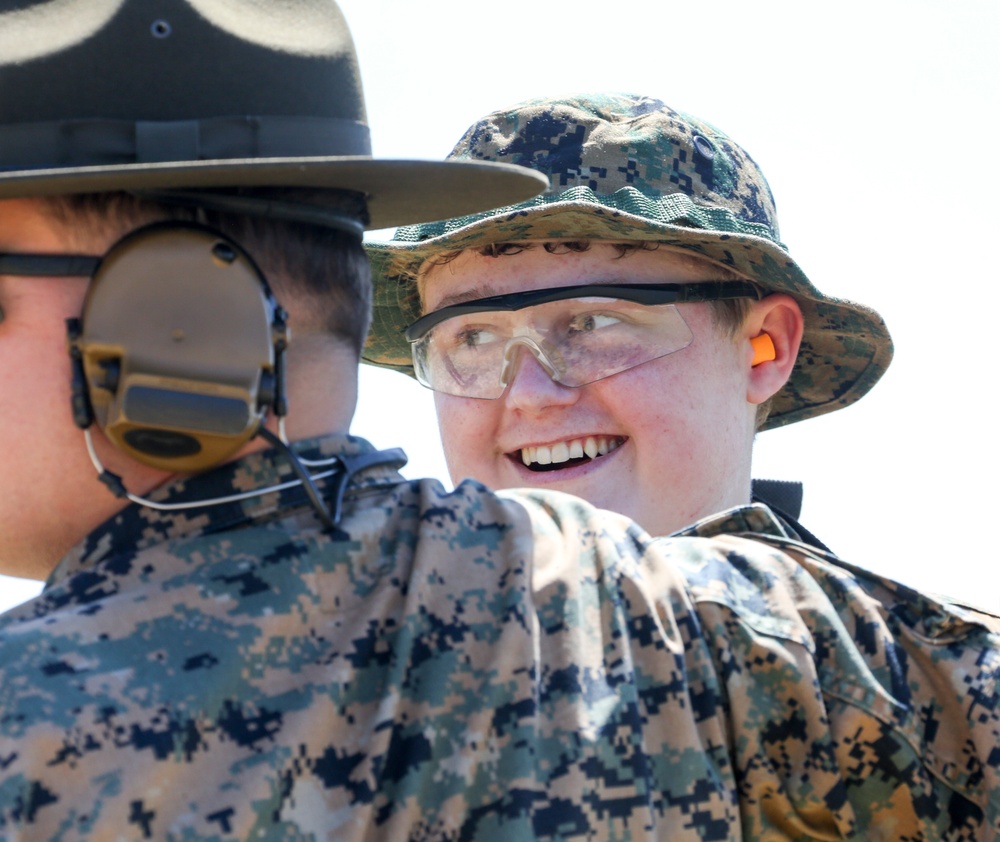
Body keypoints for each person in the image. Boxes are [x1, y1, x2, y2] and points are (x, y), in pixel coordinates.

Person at [365, 94, 1000, 836]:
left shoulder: (944, 706)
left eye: (595, 322)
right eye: (470, 337)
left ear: (765, 346)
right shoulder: (352, 697)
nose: (530, 393)